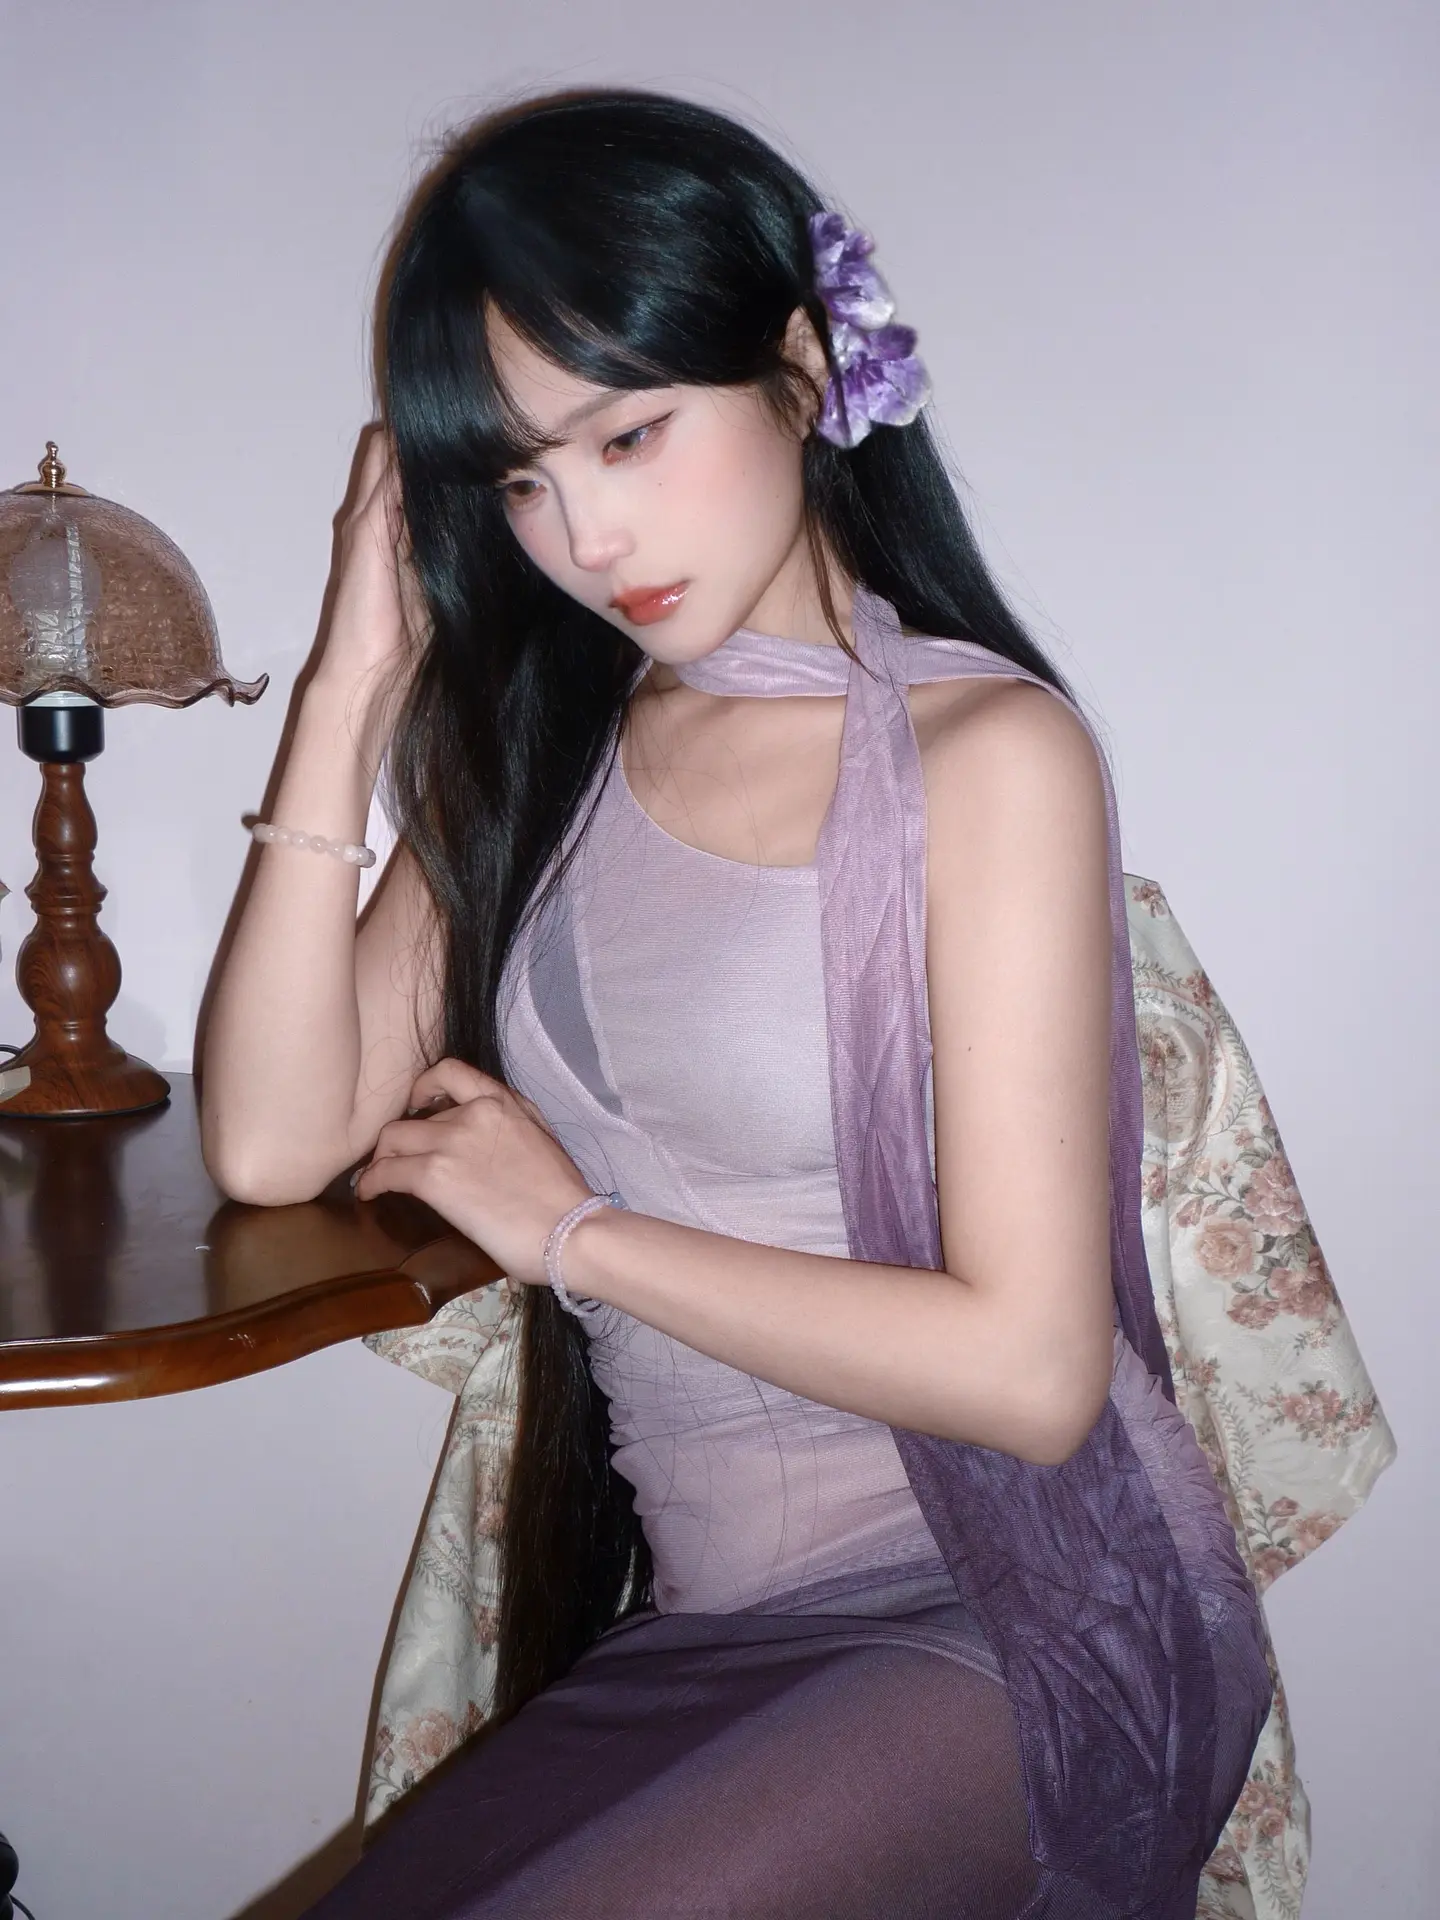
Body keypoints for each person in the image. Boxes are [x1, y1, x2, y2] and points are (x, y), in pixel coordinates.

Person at [201, 86, 1271, 1920]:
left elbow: (1031, 1379)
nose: (583, 532)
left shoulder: (985, 753)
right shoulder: (544, 754)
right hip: (709, 1639)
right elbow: (271, 1137)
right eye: (520, 479)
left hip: (990, 1614)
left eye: (627, 434)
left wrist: (576, 1238)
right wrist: (350, 684)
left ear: (798, 364)